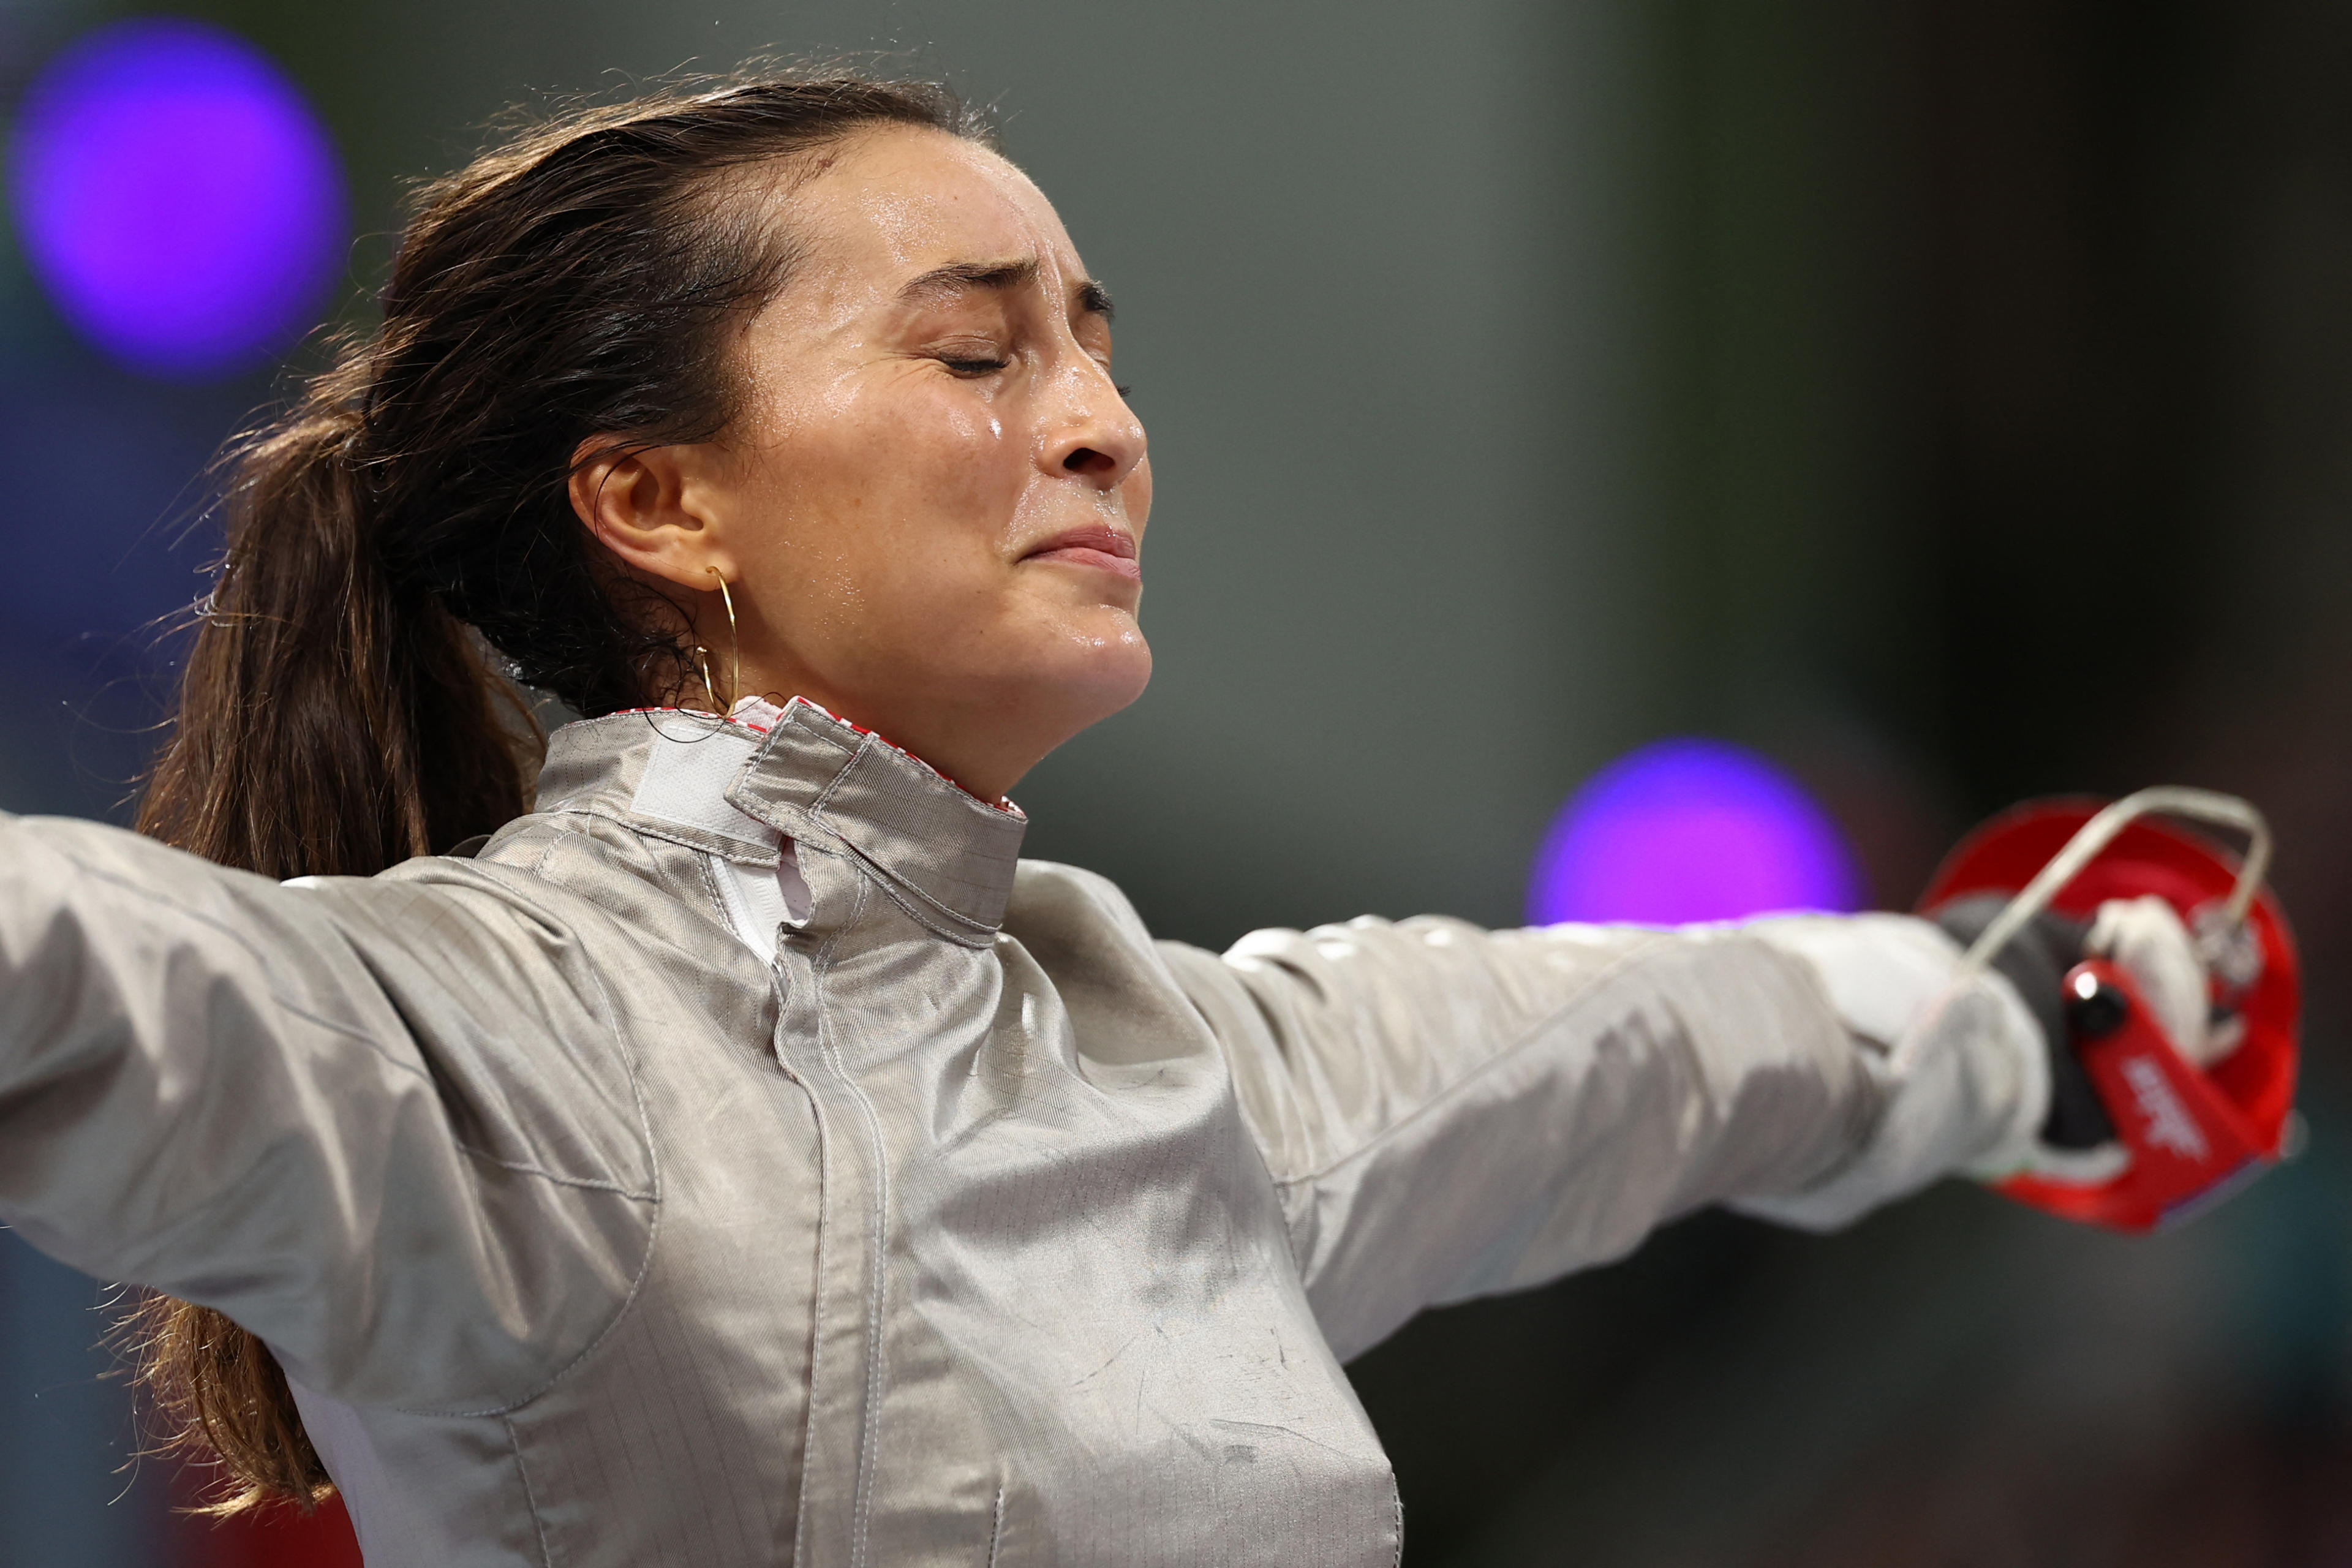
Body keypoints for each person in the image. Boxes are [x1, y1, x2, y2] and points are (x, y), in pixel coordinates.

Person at [0, 69, 2213, 1567]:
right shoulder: (500, 1058)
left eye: (1095, 346)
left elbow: (1648, 1040)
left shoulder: (1158, 1063)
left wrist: (2040, 1012)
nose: (1100, 428)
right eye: (978, 356)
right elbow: (84, 971)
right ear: (657, 501)